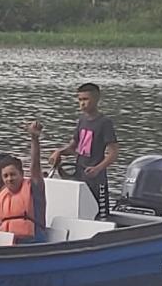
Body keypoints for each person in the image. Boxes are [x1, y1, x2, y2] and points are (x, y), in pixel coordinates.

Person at [48, 82, 119, 218]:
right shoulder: (81, 120)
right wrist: (59, 152)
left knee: (100, 214)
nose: (82, 103)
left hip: (96, 179)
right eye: (80, 100)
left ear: (96, 99)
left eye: (86, 99)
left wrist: (98, 168)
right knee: (80, 211)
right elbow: (74, 146)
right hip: (79, 175)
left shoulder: (104, 122)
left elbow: (114, 152)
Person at [0, 122, 47, 244]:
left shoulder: (34, 189)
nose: (9, 179)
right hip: (6, 247)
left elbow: (35, 166)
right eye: (5, 176)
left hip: (33, 245)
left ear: (21, 174)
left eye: (13, 174)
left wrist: (34, 138)